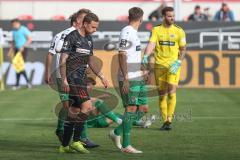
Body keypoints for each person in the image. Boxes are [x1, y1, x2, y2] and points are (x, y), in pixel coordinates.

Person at [44, 9, 99, 148]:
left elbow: (86, 57)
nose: (83, 22)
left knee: (76, 108)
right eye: (82, 19)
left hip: (78, 76)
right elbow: (53, 55)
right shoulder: (63, 36)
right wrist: (50, 74)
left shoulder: (87, 37)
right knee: (76, 107)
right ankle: (72, 137)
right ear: (77, 21)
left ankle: (74, 140)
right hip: (65, 76)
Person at [59, 12, 109, 153]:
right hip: (72, 77)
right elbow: (62, 60)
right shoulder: (72, 37)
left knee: (74, 111)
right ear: (85, 24)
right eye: (93, 27)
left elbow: (90, 60)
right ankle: (76, 141)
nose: (95, 30)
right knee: (87, 106)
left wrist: (101, 75)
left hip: (80, 78)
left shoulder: (88, 39)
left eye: (96, 28)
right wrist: (64, 79)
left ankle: (64, 146)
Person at [142, 6, 187, 131]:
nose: (172, 18)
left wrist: (178, 61)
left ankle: (168, 121)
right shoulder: (156, 30)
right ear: (163, 17)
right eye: (169, 16)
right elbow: (151, 44)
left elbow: (183, 49)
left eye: (173, 16)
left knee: (171, 92)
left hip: (173, 66)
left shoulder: (179, 31)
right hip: (159, 66)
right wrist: (146, 56)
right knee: (162, 95)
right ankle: (164, 121)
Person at [109, 7, 146, 154]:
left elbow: (133, 54)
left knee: (143, 109)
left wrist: (143, 68)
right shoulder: (127, 31)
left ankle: (116, 132)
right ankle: (126, 145)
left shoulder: (134, 33)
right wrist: (125, 78)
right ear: (141, 19)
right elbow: (122, 54)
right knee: (130, 109)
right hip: (129, 77)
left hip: (138, 76)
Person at [8, 19, 32, 90]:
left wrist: (23, 46)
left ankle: (21, 84)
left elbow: (30, 39)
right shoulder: (14, 31)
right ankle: (24, 83)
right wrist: (10, 51)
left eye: (13, 24)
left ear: (17, 23)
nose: (13, 26)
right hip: (16, 50)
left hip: (23, 50)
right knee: (17, 66)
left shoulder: (23, 29)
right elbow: (13, 42)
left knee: (20, 66)